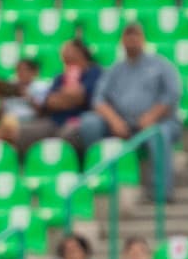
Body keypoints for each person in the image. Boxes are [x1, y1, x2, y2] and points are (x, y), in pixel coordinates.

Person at [64, 23, 180, 202]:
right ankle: (99, 178)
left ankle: (161, 193)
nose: (132, 41)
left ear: (143, 40)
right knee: (89, 122)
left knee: (159, 134)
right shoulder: (116, 69)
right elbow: (98, 99)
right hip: (122, 123)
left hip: (158, 122)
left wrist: (151, 117)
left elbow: (171, 95)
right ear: (122, 41)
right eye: (128, 37)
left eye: (136, 37)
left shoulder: (160, 65)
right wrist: (114, 120)